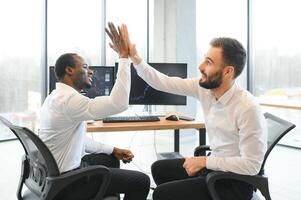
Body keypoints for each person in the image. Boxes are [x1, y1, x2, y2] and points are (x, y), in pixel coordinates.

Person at [108, 23, 267, 200]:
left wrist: (204, 161)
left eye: (209, 62)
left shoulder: (247, 108)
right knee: (159, 169)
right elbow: (163, 82)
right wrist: (135, 57)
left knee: (162, 195)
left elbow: (251, 166)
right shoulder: (204, 89)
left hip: (235, 182)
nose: (200, 66)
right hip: (215, 166)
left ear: (228, 71)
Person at [39, 23, 150, 200]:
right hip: (69, 182)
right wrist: (123, 57)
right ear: (69, 70)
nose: (90, 71)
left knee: (110, 159)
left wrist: (113, 149)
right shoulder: (70, 100)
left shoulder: (55, 96)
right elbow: (119, 103)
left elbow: (80, 140)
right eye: (84, 66)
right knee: (141, 181)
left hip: (56, 176)